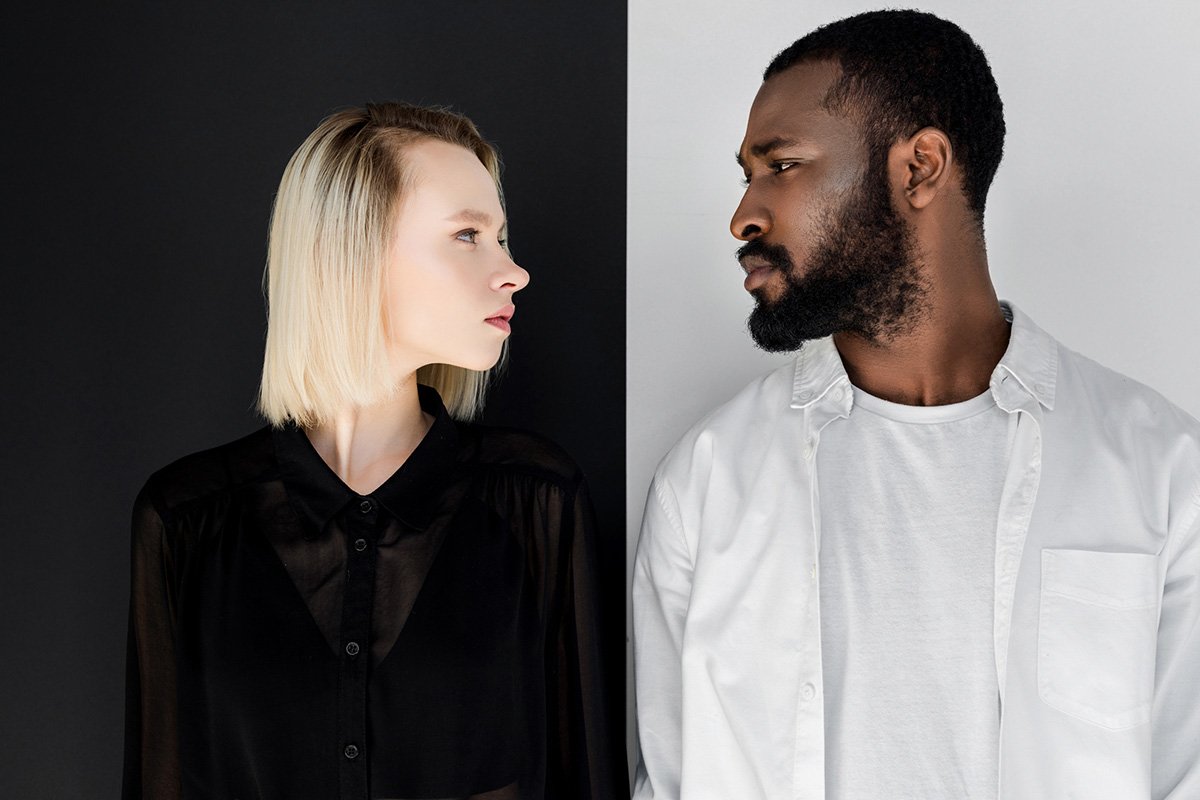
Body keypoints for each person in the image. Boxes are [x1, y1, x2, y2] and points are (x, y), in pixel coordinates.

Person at [632, 10, 1200, 800]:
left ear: (920, 166)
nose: (744, 217)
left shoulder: (1165, 473)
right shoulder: (709, 483)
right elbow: (668, 781)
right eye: (746, 175)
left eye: (782, 165)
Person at [124, 102, 624, 800]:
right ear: (348, 252)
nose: (515, 272)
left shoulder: (534, 498)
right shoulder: (187, 521)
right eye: (468, 235)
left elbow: (584, 777)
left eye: (501, 237)